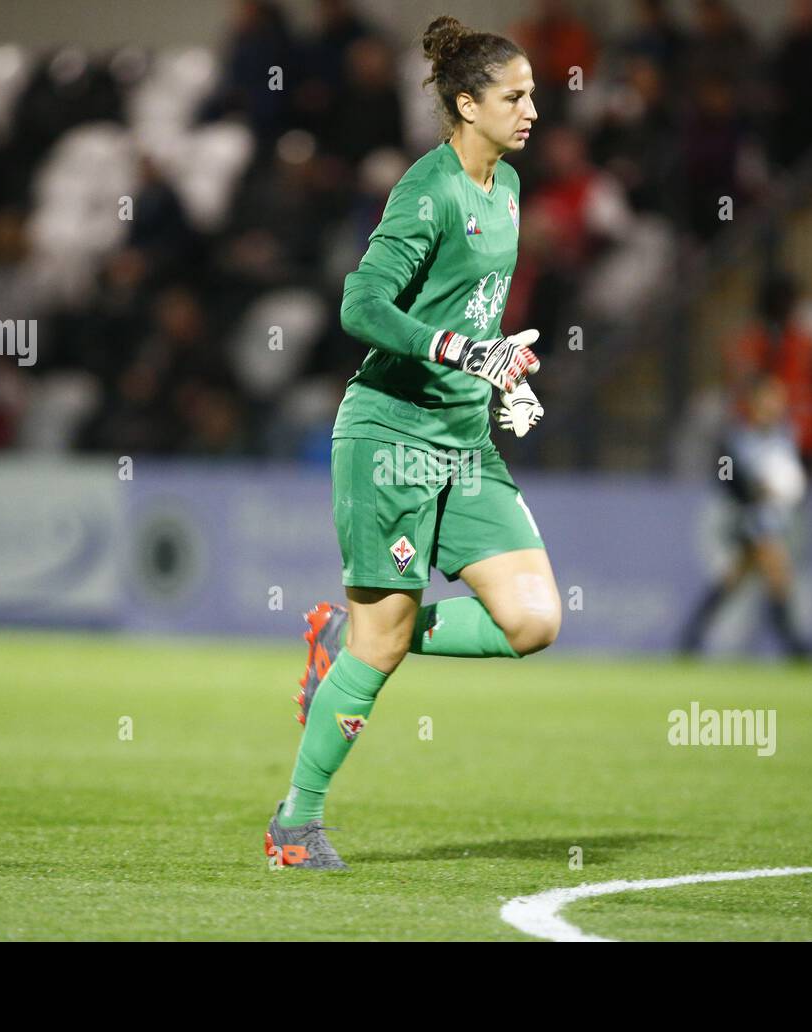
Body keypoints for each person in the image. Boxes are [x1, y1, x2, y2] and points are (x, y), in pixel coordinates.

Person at [264, 15, 560, 870]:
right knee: (382, 649)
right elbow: (360, 305)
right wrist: (457, 350)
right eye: (515, 96)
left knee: (533, 621)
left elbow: (467, 317)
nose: (532, 109)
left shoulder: (505, 189)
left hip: (466, 438)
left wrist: (501, 364)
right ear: (466, 104)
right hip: (391, 434)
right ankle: (295, 825)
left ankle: (344, 637)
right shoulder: (427, 191)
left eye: (534, 94)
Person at [678, 374, 812, 659]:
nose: (775, 405)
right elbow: (727, 478)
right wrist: (756, 491)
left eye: (779, 400)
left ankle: (691, 637)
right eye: (769, 399)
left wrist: (789, 490)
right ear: (753, 403)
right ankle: (796, 646)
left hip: (773, 518)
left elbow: (793, 476)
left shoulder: (784, 437)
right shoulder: (738, 440)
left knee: (734, 578)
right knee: (777, 571)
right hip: (746, 519)